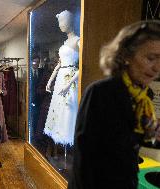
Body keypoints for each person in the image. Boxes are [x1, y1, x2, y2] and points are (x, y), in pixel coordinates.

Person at [68, 20, 160, 189]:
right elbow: (83, 161)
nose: (157, 68)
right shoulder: (100, 93)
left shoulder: (143, 96)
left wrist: (153, 132)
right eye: (151, 58)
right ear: (125, 55)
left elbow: (137, 140)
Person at [44, 10, 79, 148]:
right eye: (59, 22)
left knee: (67, 108)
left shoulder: (78, 40)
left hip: (70, 77)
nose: (60, 25)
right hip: (61, 78)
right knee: (58, 108)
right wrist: (50, 80)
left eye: (62, 21)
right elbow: (59, 64)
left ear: (70, 21)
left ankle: (68, 140)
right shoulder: (65, 42)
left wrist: (69, 83)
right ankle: (60, 141)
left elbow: (82, 65)